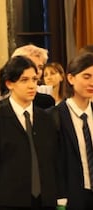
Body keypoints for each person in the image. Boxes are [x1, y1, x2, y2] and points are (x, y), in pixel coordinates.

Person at [0, 56, 66, 210]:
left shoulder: (46, 118)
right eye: (24, 80)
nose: (32, 85)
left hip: (46, 200)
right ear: (10, 83)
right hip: (9, 200)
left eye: (34, 79)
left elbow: (55, 160)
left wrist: (60, 198)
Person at [49, 52, 93, 210]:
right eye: (86, 76)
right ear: (71, 78)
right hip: (71, 197)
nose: (92, 82)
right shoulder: (53, 116)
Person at [12, 44, 55, 109]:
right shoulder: (2, 108)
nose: (37, 71)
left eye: (40, 67)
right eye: (32, 66)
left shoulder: (47, 102)